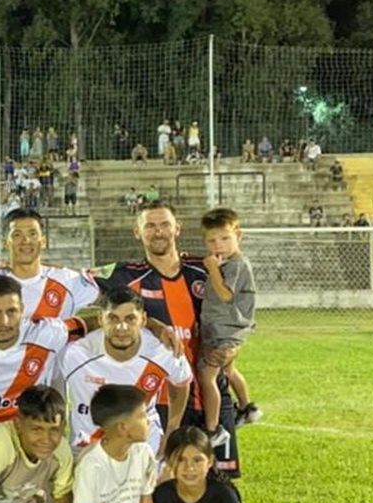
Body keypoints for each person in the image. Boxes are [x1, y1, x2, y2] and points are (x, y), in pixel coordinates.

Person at [94, 202, 243, 476]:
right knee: (161, 483)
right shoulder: (126, 274)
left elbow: (241, 304)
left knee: (218, 483)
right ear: (137, 232)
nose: (158, 231)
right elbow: (74, 279)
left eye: (164, 224)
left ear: (178, 228)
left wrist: (234, 345)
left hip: (209, 392)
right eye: (149, 225)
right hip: (158, 399)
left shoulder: (205, 268)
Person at [57, 287, 191, 458]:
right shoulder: (74, 354)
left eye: (130, 319)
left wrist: (172, 428)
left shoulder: (164, 351)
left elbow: (181, 382)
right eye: (113, 318)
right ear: (100, 320)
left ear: (143, 320)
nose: (121, 327)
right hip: (88, 450)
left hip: (143, 448)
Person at [197, 209, 256, 449]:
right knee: (230, 370)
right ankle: (247, 407)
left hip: (226, 328)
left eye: (224, 238)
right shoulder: (226, 262)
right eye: (211, 240)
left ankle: (212, 430)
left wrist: (212, 269)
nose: (218, 245)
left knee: (207, 375)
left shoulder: (235, 265)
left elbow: (225, 295)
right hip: (222, 327)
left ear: (238, 235)